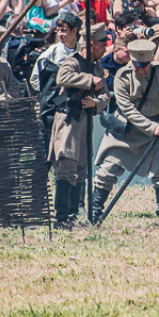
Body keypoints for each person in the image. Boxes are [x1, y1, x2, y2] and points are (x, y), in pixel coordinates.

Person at [91, 40, 159, 226]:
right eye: (138, 66)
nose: (143, 70)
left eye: (145, 66)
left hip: (155, 129)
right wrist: (151, 127)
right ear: (132, 61)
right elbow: (127, 109)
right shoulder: (122, 76)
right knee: (108, 171)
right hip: (127, 130)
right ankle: (95, 213)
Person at [47, 23, 110, 229]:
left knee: (81, 168)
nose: (105, 48)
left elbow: (105, 94)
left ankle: (73, 214)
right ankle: (61, 218)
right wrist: (89, 79)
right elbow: (62, 78)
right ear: (92, 45)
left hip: (84, 120)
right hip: (67, 119)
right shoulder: (72, 61)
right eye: (102, 44)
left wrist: (97, 103)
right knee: (67, 167)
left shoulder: (97, 66)